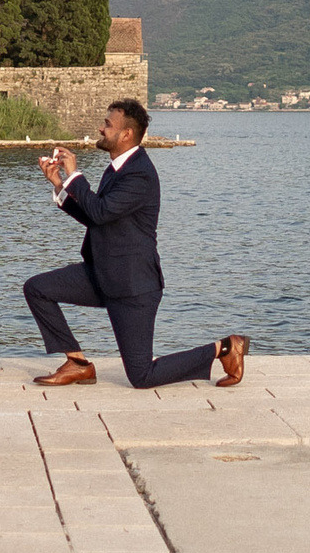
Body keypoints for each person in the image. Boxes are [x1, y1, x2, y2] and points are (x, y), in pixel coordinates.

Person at [24, 98, 248, 389]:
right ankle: (77, 363)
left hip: (133, 286)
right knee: (37, 289)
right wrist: (59, 184)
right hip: (102, 274)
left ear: (126, 134)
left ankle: (226, 348)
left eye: (108, 125)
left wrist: (74, 175)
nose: (101, 129)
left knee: (142, 376)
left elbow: (100, 212)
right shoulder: (117, 168)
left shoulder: (140, 174)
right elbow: (97, 217)